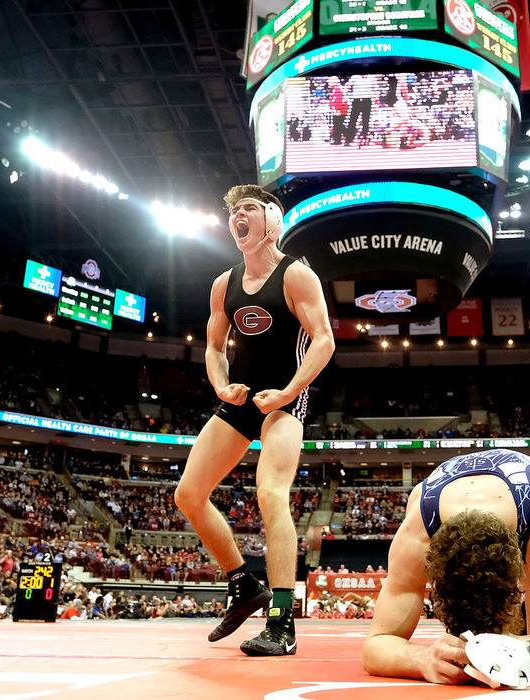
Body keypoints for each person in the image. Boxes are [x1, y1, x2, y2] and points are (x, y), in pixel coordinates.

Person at [174, 184, 334, 657]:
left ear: (272, 220)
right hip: (241, 399)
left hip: (285, 400)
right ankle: (244, 584)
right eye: (233, 211)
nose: (237, 216)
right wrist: (220, 386)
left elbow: (324, 341)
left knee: (271, 493)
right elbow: (213, 347)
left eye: (248, 209)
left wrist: (288, 391)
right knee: (188, 494)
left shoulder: (296, 276)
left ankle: (282, 622)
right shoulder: (223, 284)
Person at [363, 449, 530, 685]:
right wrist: (420, 659)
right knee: (482, 647)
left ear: (516, 583)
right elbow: (376, 645)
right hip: (494, 506)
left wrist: (517, 646)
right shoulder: (417, 537)